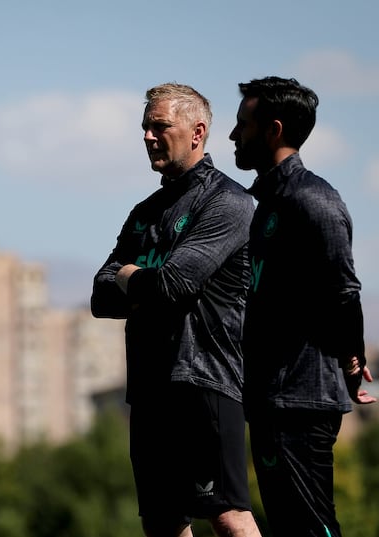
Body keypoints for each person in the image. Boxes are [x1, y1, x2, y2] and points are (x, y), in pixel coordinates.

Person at [91, 82, 262, 537]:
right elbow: (99, 296)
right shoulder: (144, 211)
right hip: (149, 387)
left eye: (159, 126)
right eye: (145, 127)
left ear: (197, 131)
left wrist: (129, 275)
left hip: (203, 380)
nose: (148, 136)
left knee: (227, 515)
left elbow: (175, 284)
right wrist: (139, 281)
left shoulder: (228, 201)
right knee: (163, 523)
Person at [229, 75, 377, 537]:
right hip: (271, 398)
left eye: (243, 125)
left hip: (302, 398)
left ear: (273, 130)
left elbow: (344, 291)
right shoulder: (268, 202)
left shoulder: (313, 200)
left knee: (310, 528)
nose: (234, 136)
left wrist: (353, 359)